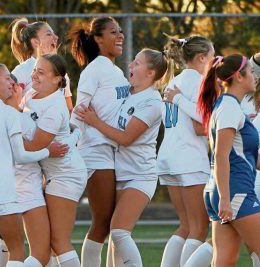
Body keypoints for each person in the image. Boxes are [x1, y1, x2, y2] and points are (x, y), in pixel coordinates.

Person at [75, 48, 172, 267]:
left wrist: (94, 121)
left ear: (151, 72)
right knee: (114, 237)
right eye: (133, 62)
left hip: (141, 176)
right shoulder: (127, 93)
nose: (130, 66)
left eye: (137, 63)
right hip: (121, 173)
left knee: (119, 231)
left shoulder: (152, 102)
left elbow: (126, 138)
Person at [0, 63, 63, 267]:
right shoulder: (8, 114)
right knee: (17, 251)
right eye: (7, 78)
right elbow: (21, 156)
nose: (12, 82)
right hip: (1, 192)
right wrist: (48, 151)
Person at [183, 54, 260, 267]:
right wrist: (225, 199)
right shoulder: (229, 108)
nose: (255, 76)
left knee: (224, 261)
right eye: (251, 72)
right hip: (234, 193)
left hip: (228, 192)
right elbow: (220, 155)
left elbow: (248, 156)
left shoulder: (230, 106)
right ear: (239, 77)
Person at [68, 16, 129, 267]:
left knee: (115, 222)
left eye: (121, 31)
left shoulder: (116, 70)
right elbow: (80, 112)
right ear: (97, 38)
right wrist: (69, 146)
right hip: (95, 150)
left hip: (115, 150)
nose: (120, 36)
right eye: (113, 32)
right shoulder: (93, 70)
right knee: (103, 221)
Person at [22, 54, 87, 267]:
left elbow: (34, 146)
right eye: (35, 70)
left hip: (66, 175)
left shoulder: (55, 107)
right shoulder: (31, 94)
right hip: (51, 175)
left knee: (59, 242)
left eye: (41, 72)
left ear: (57, 79)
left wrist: (7, 143)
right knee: (46, 245)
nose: (35, 76)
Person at [156, 35, 215, 267]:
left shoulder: (174, 82)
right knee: (199, 227)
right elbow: (203, 122)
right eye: (212, 56)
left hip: (169, 156)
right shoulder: (200, 81)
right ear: (202, 58)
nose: (214, 61)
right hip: (189, 158)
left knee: (186, 225)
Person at [10, 17, 73, 113]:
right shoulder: (22, 70)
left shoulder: (60, 71)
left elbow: (69, 109)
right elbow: (10, 106)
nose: (56, 37)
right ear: (35, 42)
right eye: (48, 34)